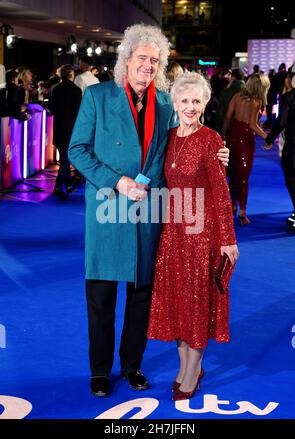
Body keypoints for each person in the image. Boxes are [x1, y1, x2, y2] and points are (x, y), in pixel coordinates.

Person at [68, 24, 229, 397]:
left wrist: (218, 151)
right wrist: (117, 182)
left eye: (154, 60)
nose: (148, 65)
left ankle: (132, 365)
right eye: (141, 58)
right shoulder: (97, 96)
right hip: (109, 207)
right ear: (126, 59)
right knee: (102, 296)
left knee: (141, 297)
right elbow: (77, 150)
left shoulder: (163, 102)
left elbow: (186, 140)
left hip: (148, 210)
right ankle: (99, 371)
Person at [147, 72, 239, 400]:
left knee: (197, 300)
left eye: (196, 101)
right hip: (173, 232)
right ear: (174, 103)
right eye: (184, 101)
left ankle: (193, 370)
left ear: (204, 104)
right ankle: (186, 366)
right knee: (179, 301)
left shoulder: (212, 139)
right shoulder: (169, 136)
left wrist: (228, 238)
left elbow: (221, 192)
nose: (190, 107)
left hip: (203, 233)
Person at [222, 73, 270, 224]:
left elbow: (227, 118)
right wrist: (268, 138)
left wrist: (223, 136)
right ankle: (242, 212)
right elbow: (252, 125)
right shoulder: (257, 101)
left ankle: (234, 206)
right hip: (245, 141)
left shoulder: (237, 96)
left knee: (233, 173)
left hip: (231, 137)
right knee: (243, 177)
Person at [264, 66, 295, 231]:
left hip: (294, 148)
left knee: (292, 181)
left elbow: (281, 122)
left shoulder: (289, 97)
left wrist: (269, 139)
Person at [49, 64, 82, 198]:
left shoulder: (54, 89)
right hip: (71, 128)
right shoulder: (76, 90)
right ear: (71, 75)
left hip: (58, 127)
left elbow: (52, 108)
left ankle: (68, 184)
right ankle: (58, 186)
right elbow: (78, 111)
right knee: (65, 159)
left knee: (64, 157)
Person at [215, 68, 245, 134]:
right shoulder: (248, 91)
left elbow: (220, 114)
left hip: (229, 126)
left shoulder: (225, 92)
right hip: (245, 127)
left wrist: (219, 130)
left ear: (233, 77)